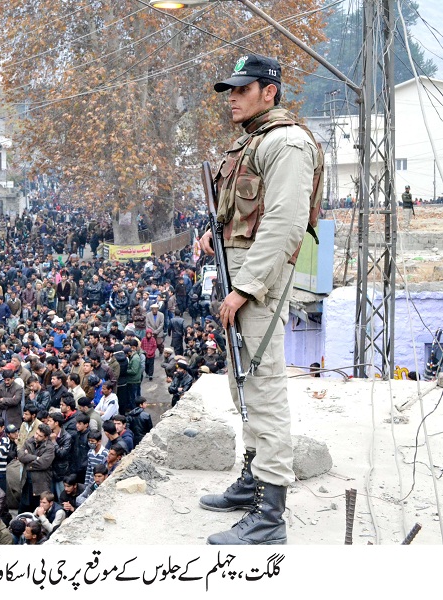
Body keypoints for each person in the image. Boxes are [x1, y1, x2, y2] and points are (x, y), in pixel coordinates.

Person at [198, 54, 320, 545]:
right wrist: (214, 236)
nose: (232, 97)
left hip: (258, 285)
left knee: (263, 389)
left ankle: (270, 515)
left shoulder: (286, 143)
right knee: (242, 384)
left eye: (243, 89)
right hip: (242, 276)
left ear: (269, 92)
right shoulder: (254, 140)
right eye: (230, 90)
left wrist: (246, 287)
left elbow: (286, 223)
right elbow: (245, 214)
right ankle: (252, 482)